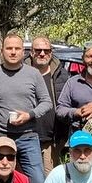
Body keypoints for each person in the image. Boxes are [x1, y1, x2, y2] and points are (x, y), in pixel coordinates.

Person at [0, 32, 51, 183]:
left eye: (17, 48)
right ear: (2, 50)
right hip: (0, 135)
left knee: (38, 180)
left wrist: (29, 114)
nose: (13, 52)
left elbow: (47, 102)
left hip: (28, 136)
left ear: (23, 52)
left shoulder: (33, 74)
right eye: (9, 48)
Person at [27, 36, 70, 173]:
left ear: (51, 52)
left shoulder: (62, 75)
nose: (42, 54)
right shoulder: (22, 72)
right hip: (26, 138)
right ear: (31, 52)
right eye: (38, 50)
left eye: (46, 50)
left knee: (49, 181)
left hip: (52, 140)